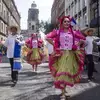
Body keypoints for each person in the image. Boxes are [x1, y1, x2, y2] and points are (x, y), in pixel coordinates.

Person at [46, 16, 85, 99]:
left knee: (68, 72)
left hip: (71, 55)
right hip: (61, 54)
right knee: (63, 71)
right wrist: (55, 45)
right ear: (62, 23)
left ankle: (64, 90)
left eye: (68, 22)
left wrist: (77, 45)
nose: (67, 23)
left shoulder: (73, 33)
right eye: (65, 21)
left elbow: (83, 39)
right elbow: (47, 37)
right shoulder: (58, 32)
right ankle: (63, 93)